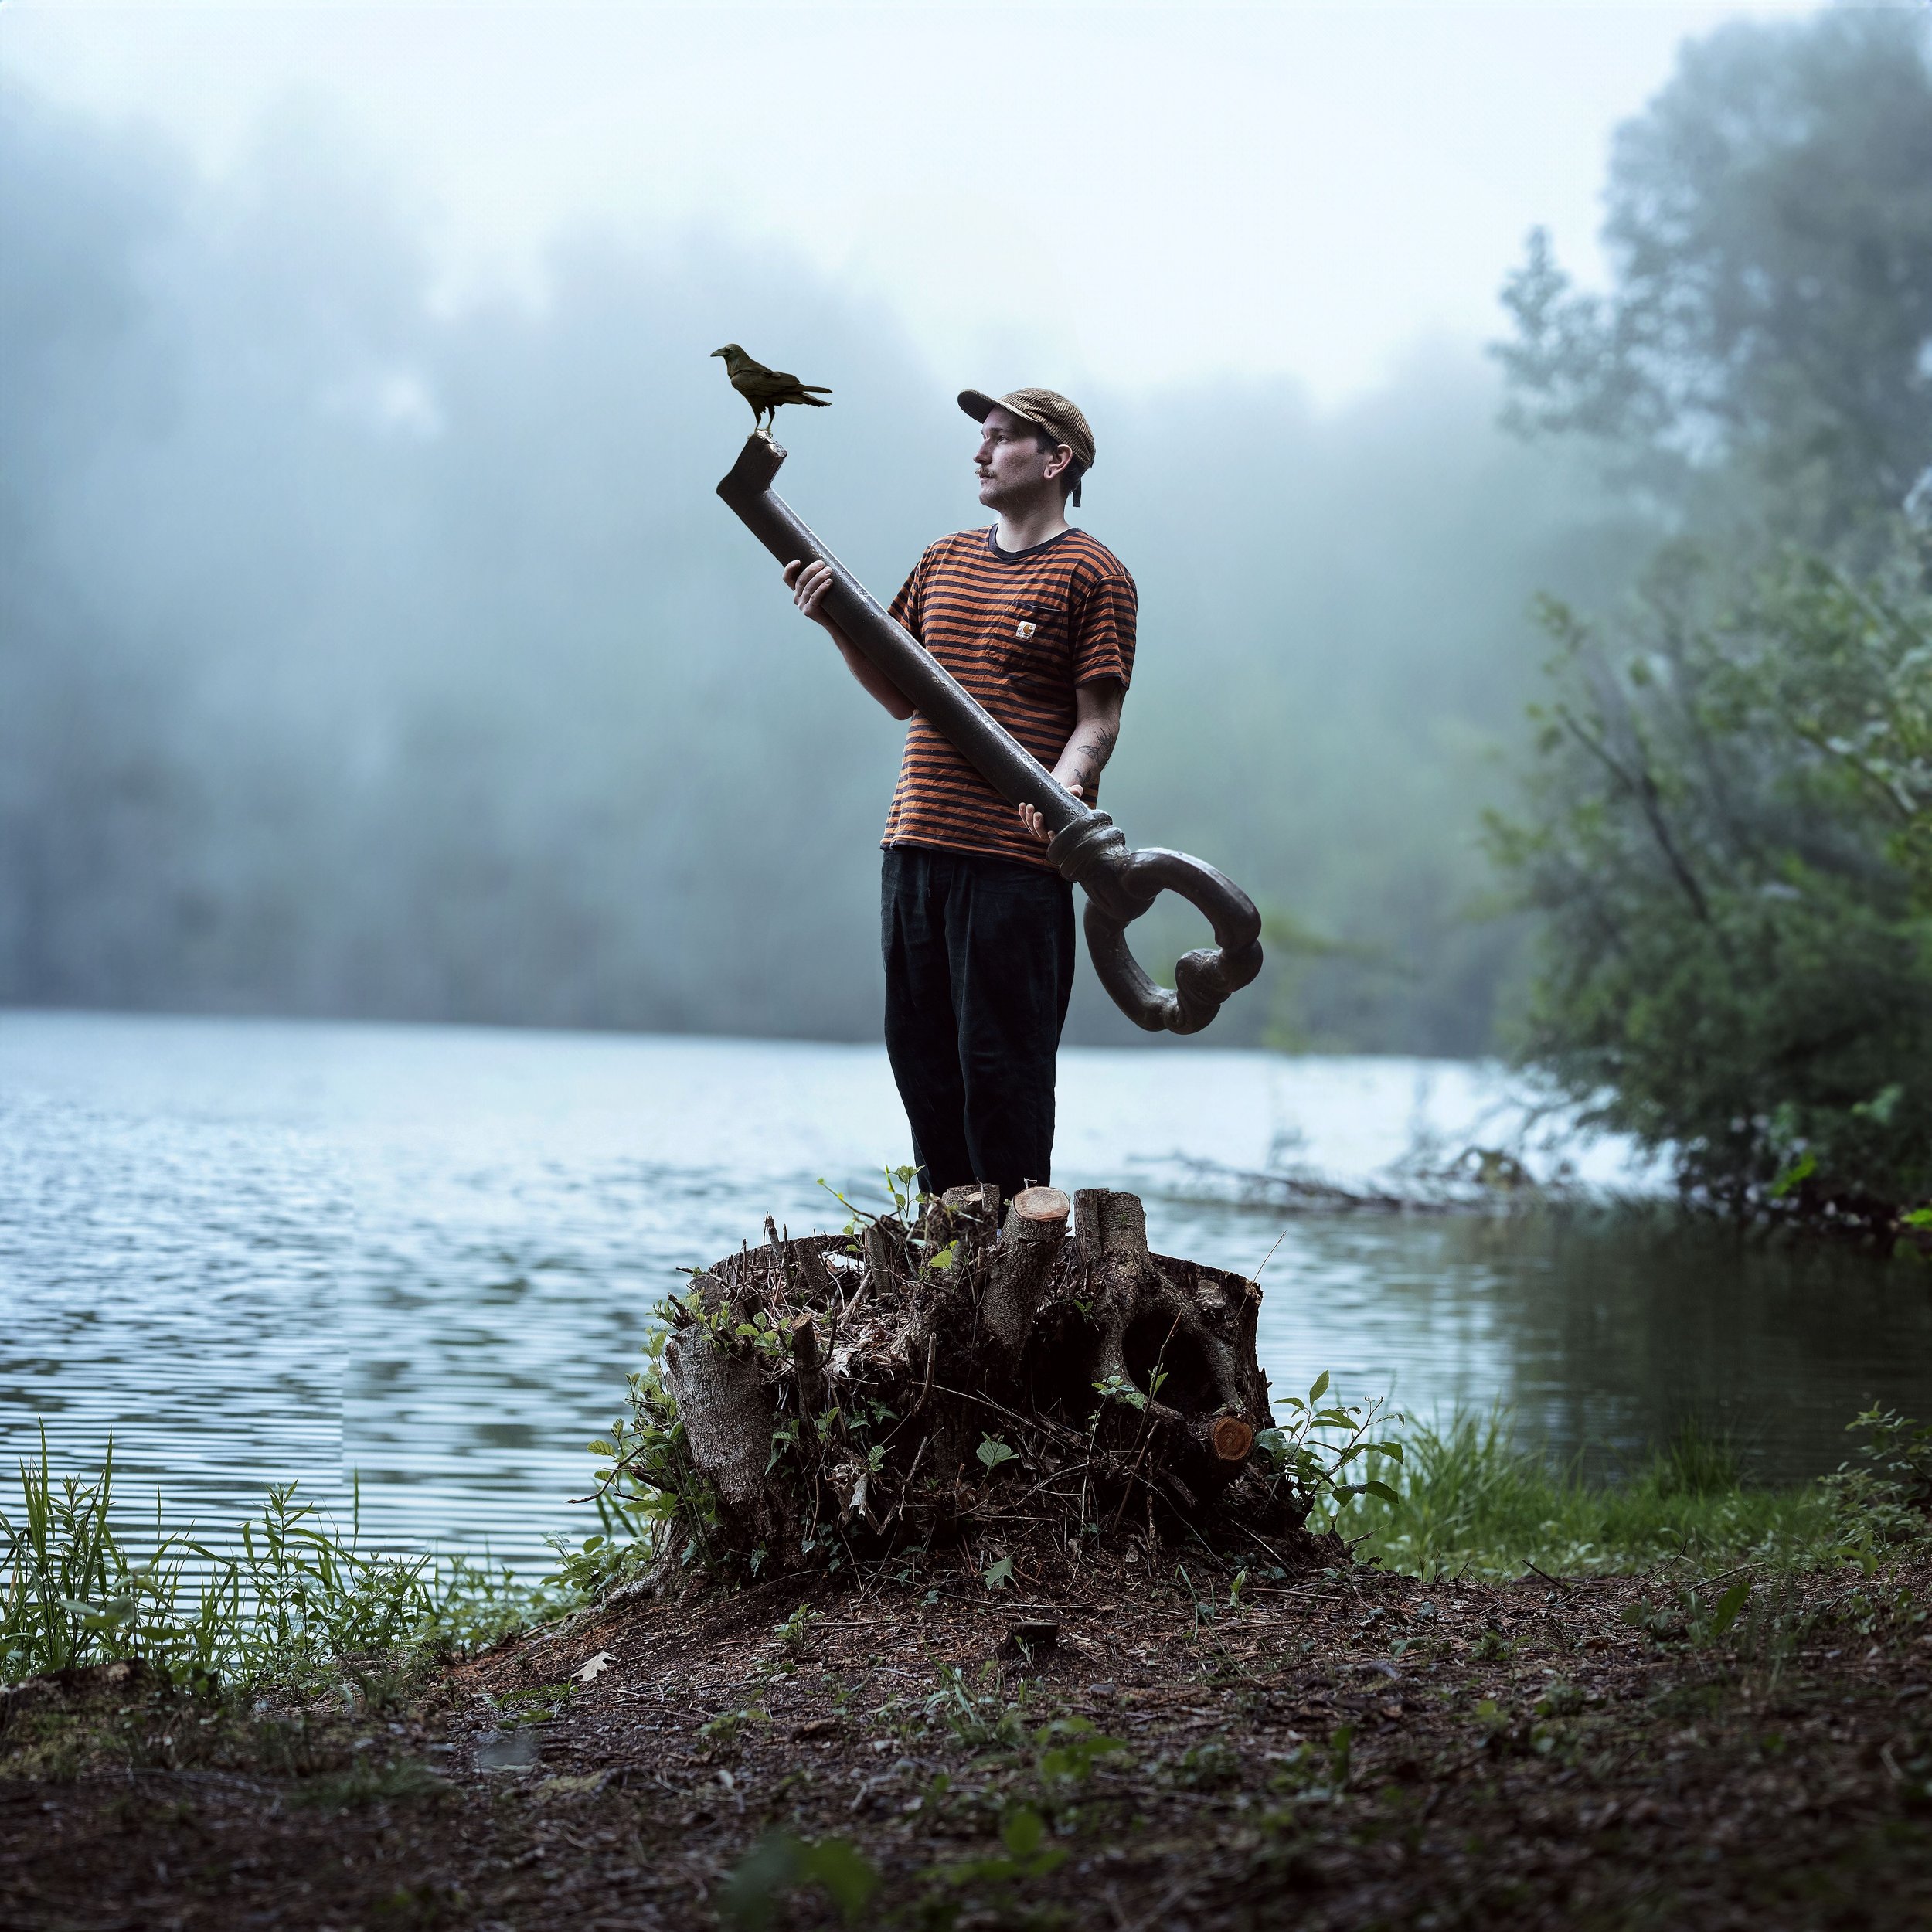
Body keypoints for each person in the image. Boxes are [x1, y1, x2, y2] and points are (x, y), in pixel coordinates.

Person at [782, 387, 1135, 1202]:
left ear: (1056, 461)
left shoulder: (1094, 574)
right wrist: (835, 624)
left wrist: (1064, 786)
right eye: (981, 437)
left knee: (1001, 1074)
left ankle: (1018, 1267)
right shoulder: (943, 559)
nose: (981, 452)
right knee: (923, 1064)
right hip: (912, 850)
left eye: (1003, 438)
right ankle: (949, 1269)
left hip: (1013, 867)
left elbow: (1099, 718)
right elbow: (900, 694)